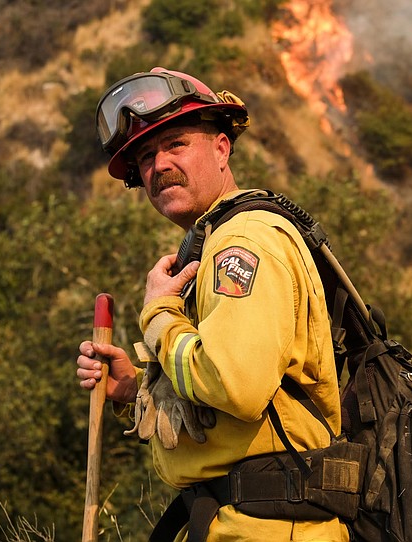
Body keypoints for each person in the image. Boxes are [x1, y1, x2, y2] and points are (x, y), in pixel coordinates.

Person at [76, 67, 347, 542]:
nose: (159, 165)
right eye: (145, 156)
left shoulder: (241, 241)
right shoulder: (218, 242)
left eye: (175, 144)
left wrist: (159, 314)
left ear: (222, 148)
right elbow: (223, 403)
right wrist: (131, 390)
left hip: (268, 528)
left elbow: (233, 385)